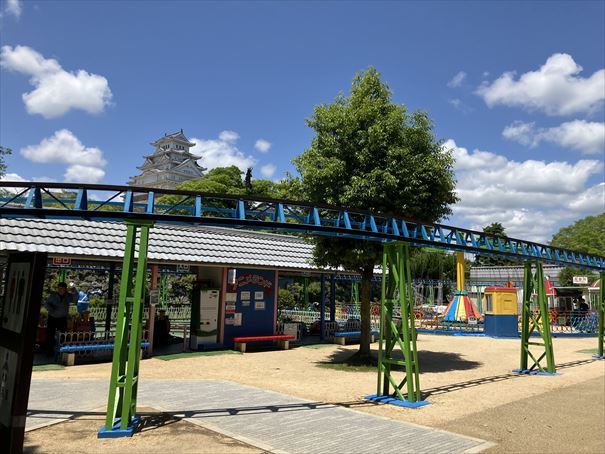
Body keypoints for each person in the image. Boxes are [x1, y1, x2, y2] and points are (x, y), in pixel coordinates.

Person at [44, 282, 77, 354]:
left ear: (65, 289)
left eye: (61, 288)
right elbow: (46, 304)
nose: (60, 290)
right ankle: (49, 351)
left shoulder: (68, 296)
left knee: (63, 335)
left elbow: (75, 299)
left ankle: (62, 350)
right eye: (59, 288)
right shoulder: (53, 296)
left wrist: (74, 290)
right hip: (52, 317)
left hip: (62, 318)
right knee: (50, 335)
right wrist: (51, 309)